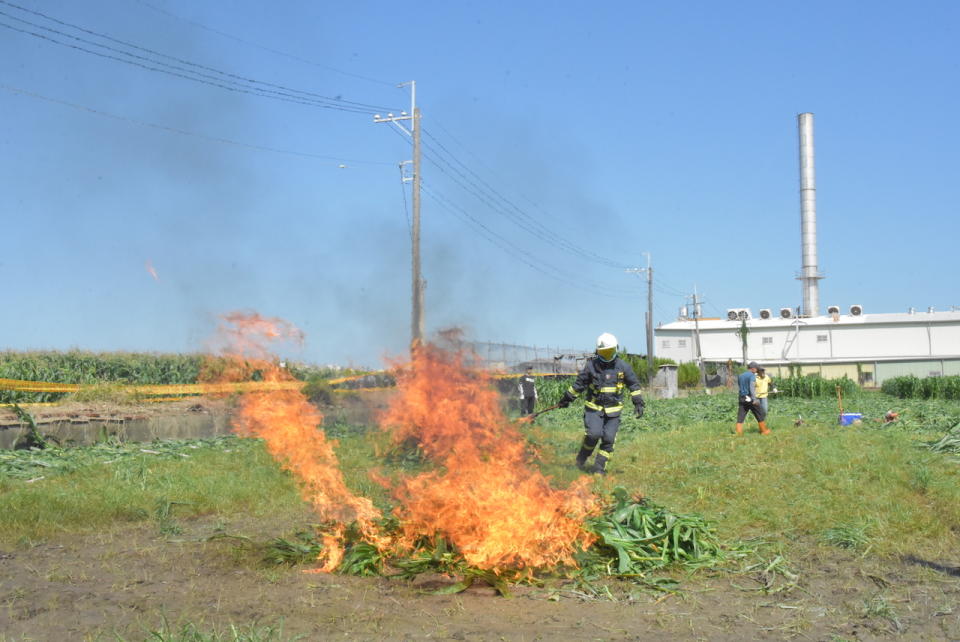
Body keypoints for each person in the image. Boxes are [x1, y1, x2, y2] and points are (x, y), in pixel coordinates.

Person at [557, 333, 645, 475]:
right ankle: (582, 457)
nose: (607, 356)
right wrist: (567, 398)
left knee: (609, 439)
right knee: (593, 435)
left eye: (609, 352)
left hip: (613, 412)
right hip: (594, 409)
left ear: (616, 349)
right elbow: (579, 385)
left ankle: (599, 468)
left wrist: (638, 402)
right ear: (597, 352)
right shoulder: (591, 366)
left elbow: (634, 385)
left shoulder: (623, 367)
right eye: (604, 352)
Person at [736, 361, 770, 435]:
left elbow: (740, 386)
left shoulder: (740, 375)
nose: (757, 370)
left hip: (742, 397)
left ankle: (738, 432)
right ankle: (764, 431)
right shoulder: (752, 376)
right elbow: (752, 388)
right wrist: (754, 399)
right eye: (756, 369)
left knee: (741, 415)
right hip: (749, 397)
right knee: (759, 413)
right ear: (753, 369)